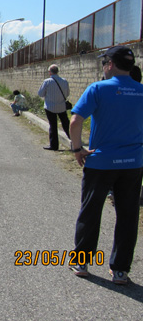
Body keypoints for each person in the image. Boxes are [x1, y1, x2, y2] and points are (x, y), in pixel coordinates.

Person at [68, 46, 143, 284]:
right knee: (128, 215)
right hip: (133, 164)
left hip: (101, 162)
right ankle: (120, 270)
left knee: (91, 210)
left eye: (104, 63)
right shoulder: (141, 91)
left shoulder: (98, 88)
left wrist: (78, 149)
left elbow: (75, 120)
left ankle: (81, 262)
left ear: (110, 64)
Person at [37, 64, 70, 151]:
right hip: (62, 106)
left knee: (53, 126)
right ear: (57, 71)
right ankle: (74, 140)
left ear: (50, 72)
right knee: (66, 124)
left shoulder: (47, 81)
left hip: (50, 107)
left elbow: (40, 94)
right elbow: (67, 94)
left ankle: (54, 145)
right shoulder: (64, 81)